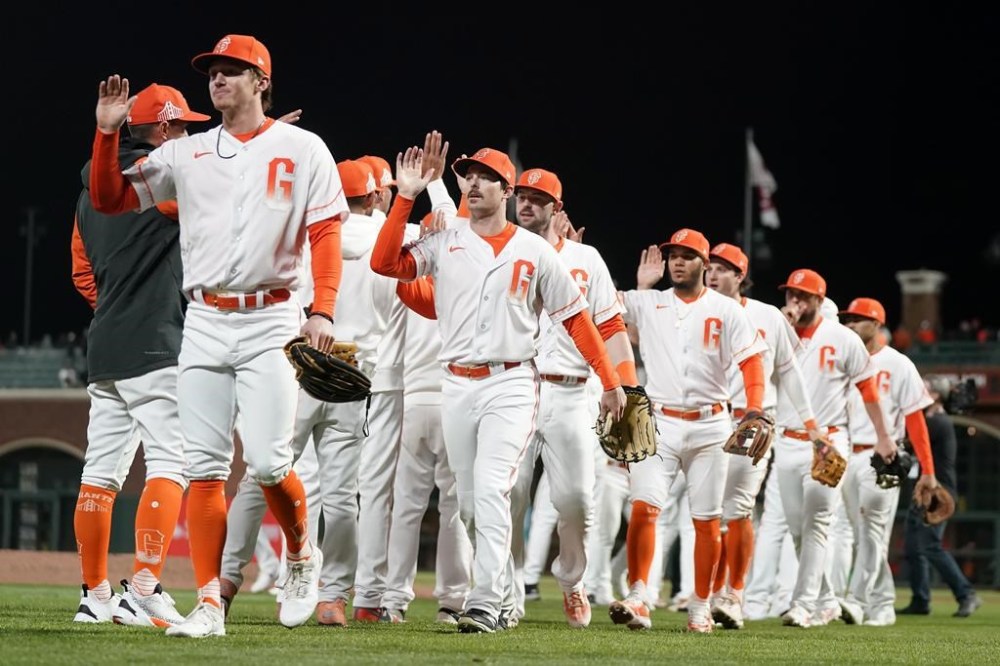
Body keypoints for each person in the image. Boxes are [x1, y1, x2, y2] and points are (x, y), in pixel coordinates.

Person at [88, 33, 349, 637]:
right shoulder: (189, 153)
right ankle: (209, 605)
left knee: (265, 460)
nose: (218, 79)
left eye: (233, 71)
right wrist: (106, 133)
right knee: (205, 469)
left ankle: (301, 553)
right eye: (213, 71)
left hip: (272, 316)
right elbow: (109, 199)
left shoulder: (303, 147)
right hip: (203, 317)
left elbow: (326, 233)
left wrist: (325, 309)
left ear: (263, 81)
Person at [370, 145, 626, 633]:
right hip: (455, 384)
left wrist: (611, 381)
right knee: (467, 506)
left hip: (510, 382)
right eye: (468, 175)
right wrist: (405, 198)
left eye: (486, 177)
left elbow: (577, 319)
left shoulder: (534, 251)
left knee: (491, 489)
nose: (473, 183)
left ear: (505, 192)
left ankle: (485, 601)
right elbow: (386, 265)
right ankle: (504, 596)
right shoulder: (446, 241)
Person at [70, 83, 210, 627]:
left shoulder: (88, 193)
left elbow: (81, 271)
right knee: (171, 462)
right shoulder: (167, 187)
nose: (192, 135)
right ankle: (145, 585)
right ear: (165, 130)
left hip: (105, 343)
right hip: (156, 339)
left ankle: (95, 594)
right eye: (185, 126)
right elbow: (214, 201)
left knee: (100, 473)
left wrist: (118, 306)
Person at [609, 231, 768, 633]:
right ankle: (640, 596)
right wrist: (640, 284)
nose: (677, 262)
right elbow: (600, 305)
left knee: (707, 520)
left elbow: (751, 362)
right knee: (644, 508)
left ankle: (700, 606)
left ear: (703, 262)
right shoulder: (649, 300)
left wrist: (754, 406)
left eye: (687, 256)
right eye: (672, 256)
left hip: (711, 424)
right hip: (658, 420)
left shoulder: (727, 309)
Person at [703, 243, 822, 629]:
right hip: (706, 420)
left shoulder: (767, 315)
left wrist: (810, 423)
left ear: (741, 276)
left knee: (737, 508)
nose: (713, 274)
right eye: (711, 267)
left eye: (723, 269)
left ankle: (734, 596)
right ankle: (704, 595)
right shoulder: (694, 310)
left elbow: (789, 372)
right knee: (705, 513)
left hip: (753, 422)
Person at [773, 270, 900, 628]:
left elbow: (869, 392)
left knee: (816, 525)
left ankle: (802, 604)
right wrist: (779, 332)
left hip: (829, 442)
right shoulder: (778, 332)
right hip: (786, 440)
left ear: (818, 299)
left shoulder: (842, 338)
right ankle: (827, 599)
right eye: (790, 294)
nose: (794, 301)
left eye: (801, 295)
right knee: (797, 530)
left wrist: (884, 436)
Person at [382, 215, 474, 624]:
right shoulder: (469, 282)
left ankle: (393, 599)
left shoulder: (408, 281)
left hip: (415, 396)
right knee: (453, 508)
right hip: (455, 395)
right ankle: (451, 603)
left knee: (406, 506)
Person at [837, 297, 939, 626]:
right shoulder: (843, 360)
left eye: (858, 319)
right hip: (845, 455)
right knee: (859, 533)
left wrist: (928, 470)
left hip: (884, 458)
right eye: (848, 319)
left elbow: (915, 419)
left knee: (872, 532)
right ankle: (882, 604)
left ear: (877, 324)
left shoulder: (898, 364)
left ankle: (855, 600)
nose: (850, 324)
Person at [899, 376, 983, 618]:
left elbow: (910, 440)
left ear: (934, 395)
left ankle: (966, 594)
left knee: (930, 545)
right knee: (914, 546)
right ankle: (920, 600)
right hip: (925, 490)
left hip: (939, 490)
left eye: (924, 387)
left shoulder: (937, 421)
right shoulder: (932, 419)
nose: (919, 389)